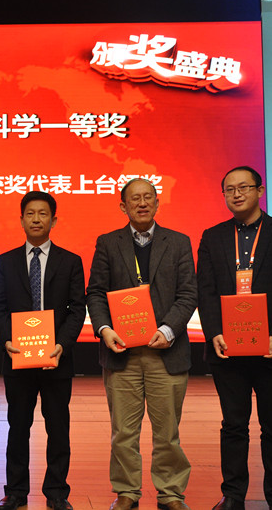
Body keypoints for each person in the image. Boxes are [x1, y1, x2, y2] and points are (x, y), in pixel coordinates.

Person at [197, 166, 272, 510]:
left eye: (244, 187)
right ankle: (233, 495)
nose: (236, 194)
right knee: (233, 426)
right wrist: (214, 332)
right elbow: (205, 290)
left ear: (260, 191)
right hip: (228, 350)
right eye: (229, 189)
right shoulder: (213, 236)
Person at [86, 178, 197, 510]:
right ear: (124, 206)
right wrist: (104, 329)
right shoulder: (108, 243)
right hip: (123, 353)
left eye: (149, 197)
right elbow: (96, 292)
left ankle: (171, 493)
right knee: (123, 431)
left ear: (158, 203)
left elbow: (188, 293)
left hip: (167, 352)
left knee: (167, 432)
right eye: (135, 198)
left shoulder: (178, 242)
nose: (142, 203)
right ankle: (126, 492)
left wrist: (168, 329)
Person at [0, 191, 86, 510]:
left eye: (43, 214)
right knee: (18, 427)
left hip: (57, 359)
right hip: (18, 358)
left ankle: (57, 492)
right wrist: (7, 341)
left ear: (54, 220)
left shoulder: (70, 261)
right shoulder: (5, 262)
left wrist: (62, 345)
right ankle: (16, 492)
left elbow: (77, 309)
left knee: (58, 428)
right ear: (21, 220)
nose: (36, 219)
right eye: (30, 213)